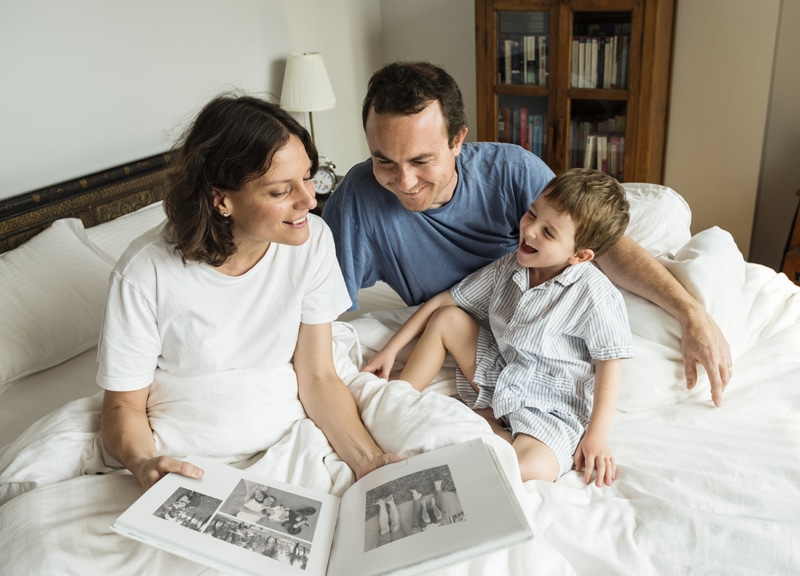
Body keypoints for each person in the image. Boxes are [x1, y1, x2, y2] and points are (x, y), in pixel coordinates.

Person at [322, 61, 732, 407]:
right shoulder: (358, 198)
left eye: (421, 160)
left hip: (550, 305)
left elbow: (602, 246)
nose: (404, 180)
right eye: (384, 161)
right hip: (476, 329)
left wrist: (692, 313)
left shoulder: (512, 170)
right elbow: (319, 305)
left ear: (458, 140)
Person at [98, 94, 400, 491]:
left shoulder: (312, 241)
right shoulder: (144, 274)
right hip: (192, 443)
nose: (309, 200)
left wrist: (368, 462)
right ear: (221, 199)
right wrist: (144, 463)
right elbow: (123, 405)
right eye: (280, 192)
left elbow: (318, 374)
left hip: (286, 429)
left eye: (308, 176)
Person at [363, 169, 635, 485]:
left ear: (580, 255)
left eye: (548, 233)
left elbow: (609, 367)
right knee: (447, 319)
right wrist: (390, 349)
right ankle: (399, 401)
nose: (530, 230)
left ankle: (494, 430)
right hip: (503, 375)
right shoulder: (510, 266)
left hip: (553, 408)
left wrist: (596, 437)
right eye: (532, 214)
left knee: (525, 468)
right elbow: (444, 302)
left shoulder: (596, 295)